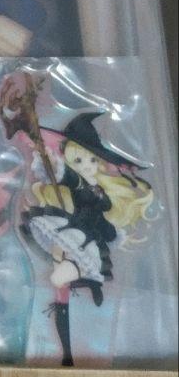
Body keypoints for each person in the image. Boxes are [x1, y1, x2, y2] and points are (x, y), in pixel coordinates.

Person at [21, 113, 154, 367]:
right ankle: (67, 354)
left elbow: (102, 203)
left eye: (92, 160)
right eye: (78, 160)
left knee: (58, 279)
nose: (87, 165)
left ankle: (91, 280)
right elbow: (70, 179)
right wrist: (50, 163)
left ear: (100, 162)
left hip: (87, 240)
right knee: (60, 292)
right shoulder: (79, 182)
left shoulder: (99, 189)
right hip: (71, 233)